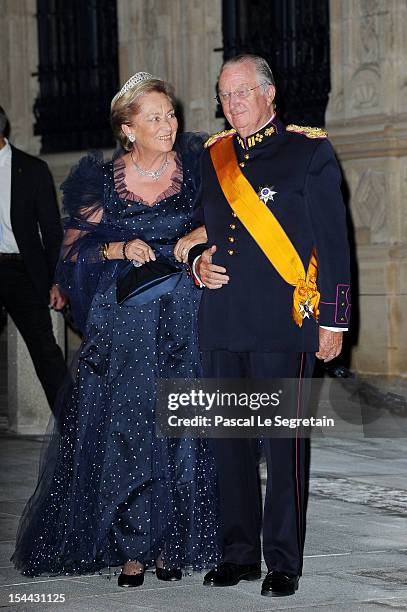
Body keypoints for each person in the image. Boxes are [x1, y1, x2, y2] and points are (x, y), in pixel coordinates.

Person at [12, 73, 219, 586]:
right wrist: (119, 249)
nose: (168, 124)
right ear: (128, 129)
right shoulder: (99, 182)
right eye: (155, 117)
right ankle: (132, 542)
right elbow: (74, 254)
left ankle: (172, 540)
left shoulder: (197, 170)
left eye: (170, 114)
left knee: (183, 423)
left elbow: (231, 219)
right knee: (128, 425)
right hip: (126, 319)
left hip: (186, 316)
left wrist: (196, 236)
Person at [189, 54, 351, 597]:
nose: (232, 105)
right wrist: (195, 263)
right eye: (225, 95)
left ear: (269, 93)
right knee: (228, 442)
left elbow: (334, 242)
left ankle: (283, 559)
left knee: (284, 445)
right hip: (223, 318)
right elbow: (194, 231)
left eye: (242, 93)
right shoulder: (212, 155)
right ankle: (238, 554)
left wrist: (336, 319)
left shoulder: (308, 150)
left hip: (286, 324)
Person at [0, 105, 67, 410]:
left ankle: (75, 428)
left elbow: (52, 231)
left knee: (45, 352)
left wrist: (57, 280)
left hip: (22, 271)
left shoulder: (32, 170)